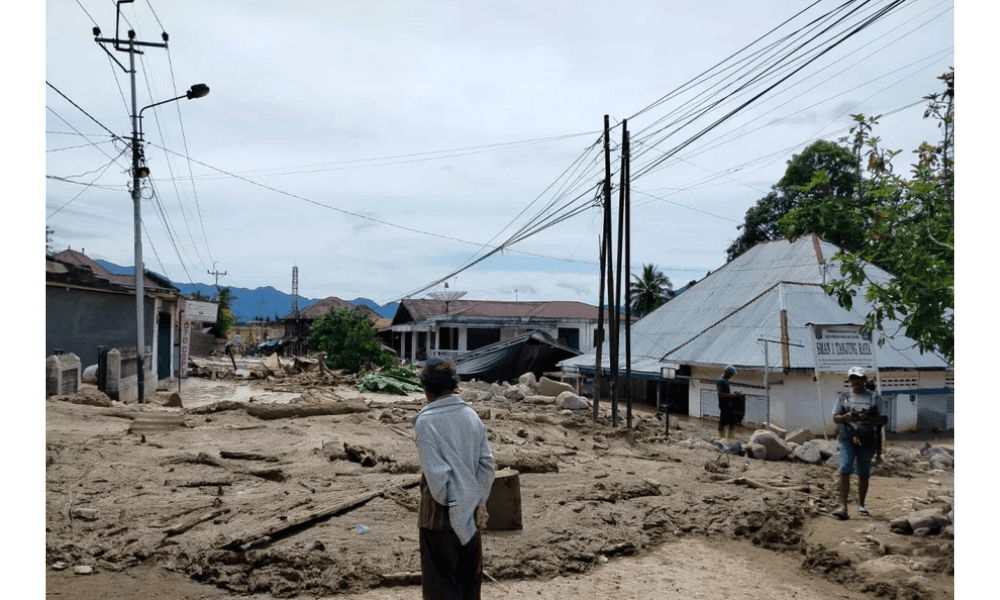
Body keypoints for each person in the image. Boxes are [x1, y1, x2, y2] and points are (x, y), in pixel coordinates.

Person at [412, 357, 495, 600]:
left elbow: (438, 482)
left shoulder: (426, 421)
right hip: (470, 519)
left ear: (426, 388)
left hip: (437, 521)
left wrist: (457, 506)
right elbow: (487, 465)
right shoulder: (471, 417)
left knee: (441, 589)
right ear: (453, 385)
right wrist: (476, 504)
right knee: (469, 588)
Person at [831, 366, 888, 520]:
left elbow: (884, 419)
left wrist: (867, 419)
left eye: (859, 378)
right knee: (845, 467)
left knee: (863, 471)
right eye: (852, 378)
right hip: (847, 438)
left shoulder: (875, 398)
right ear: (849, 380)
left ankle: (861, 504)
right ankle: (843, 507)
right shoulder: (843, 397)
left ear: (864, 380)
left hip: (867, 438)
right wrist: (846, 417)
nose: (856, 381)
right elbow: (835, 417)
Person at [716, 365, 744, 439]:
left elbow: (726, 392)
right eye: (731, 374)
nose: (731, 376)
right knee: (722, 421)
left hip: (729, 404)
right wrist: (732, 396)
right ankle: (721, 437)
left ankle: (730, 437)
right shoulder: (721, 381)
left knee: (732, 421)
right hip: (724, 404)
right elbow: (720, 394)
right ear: (726, 372)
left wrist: (733, 394)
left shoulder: (726, 380)